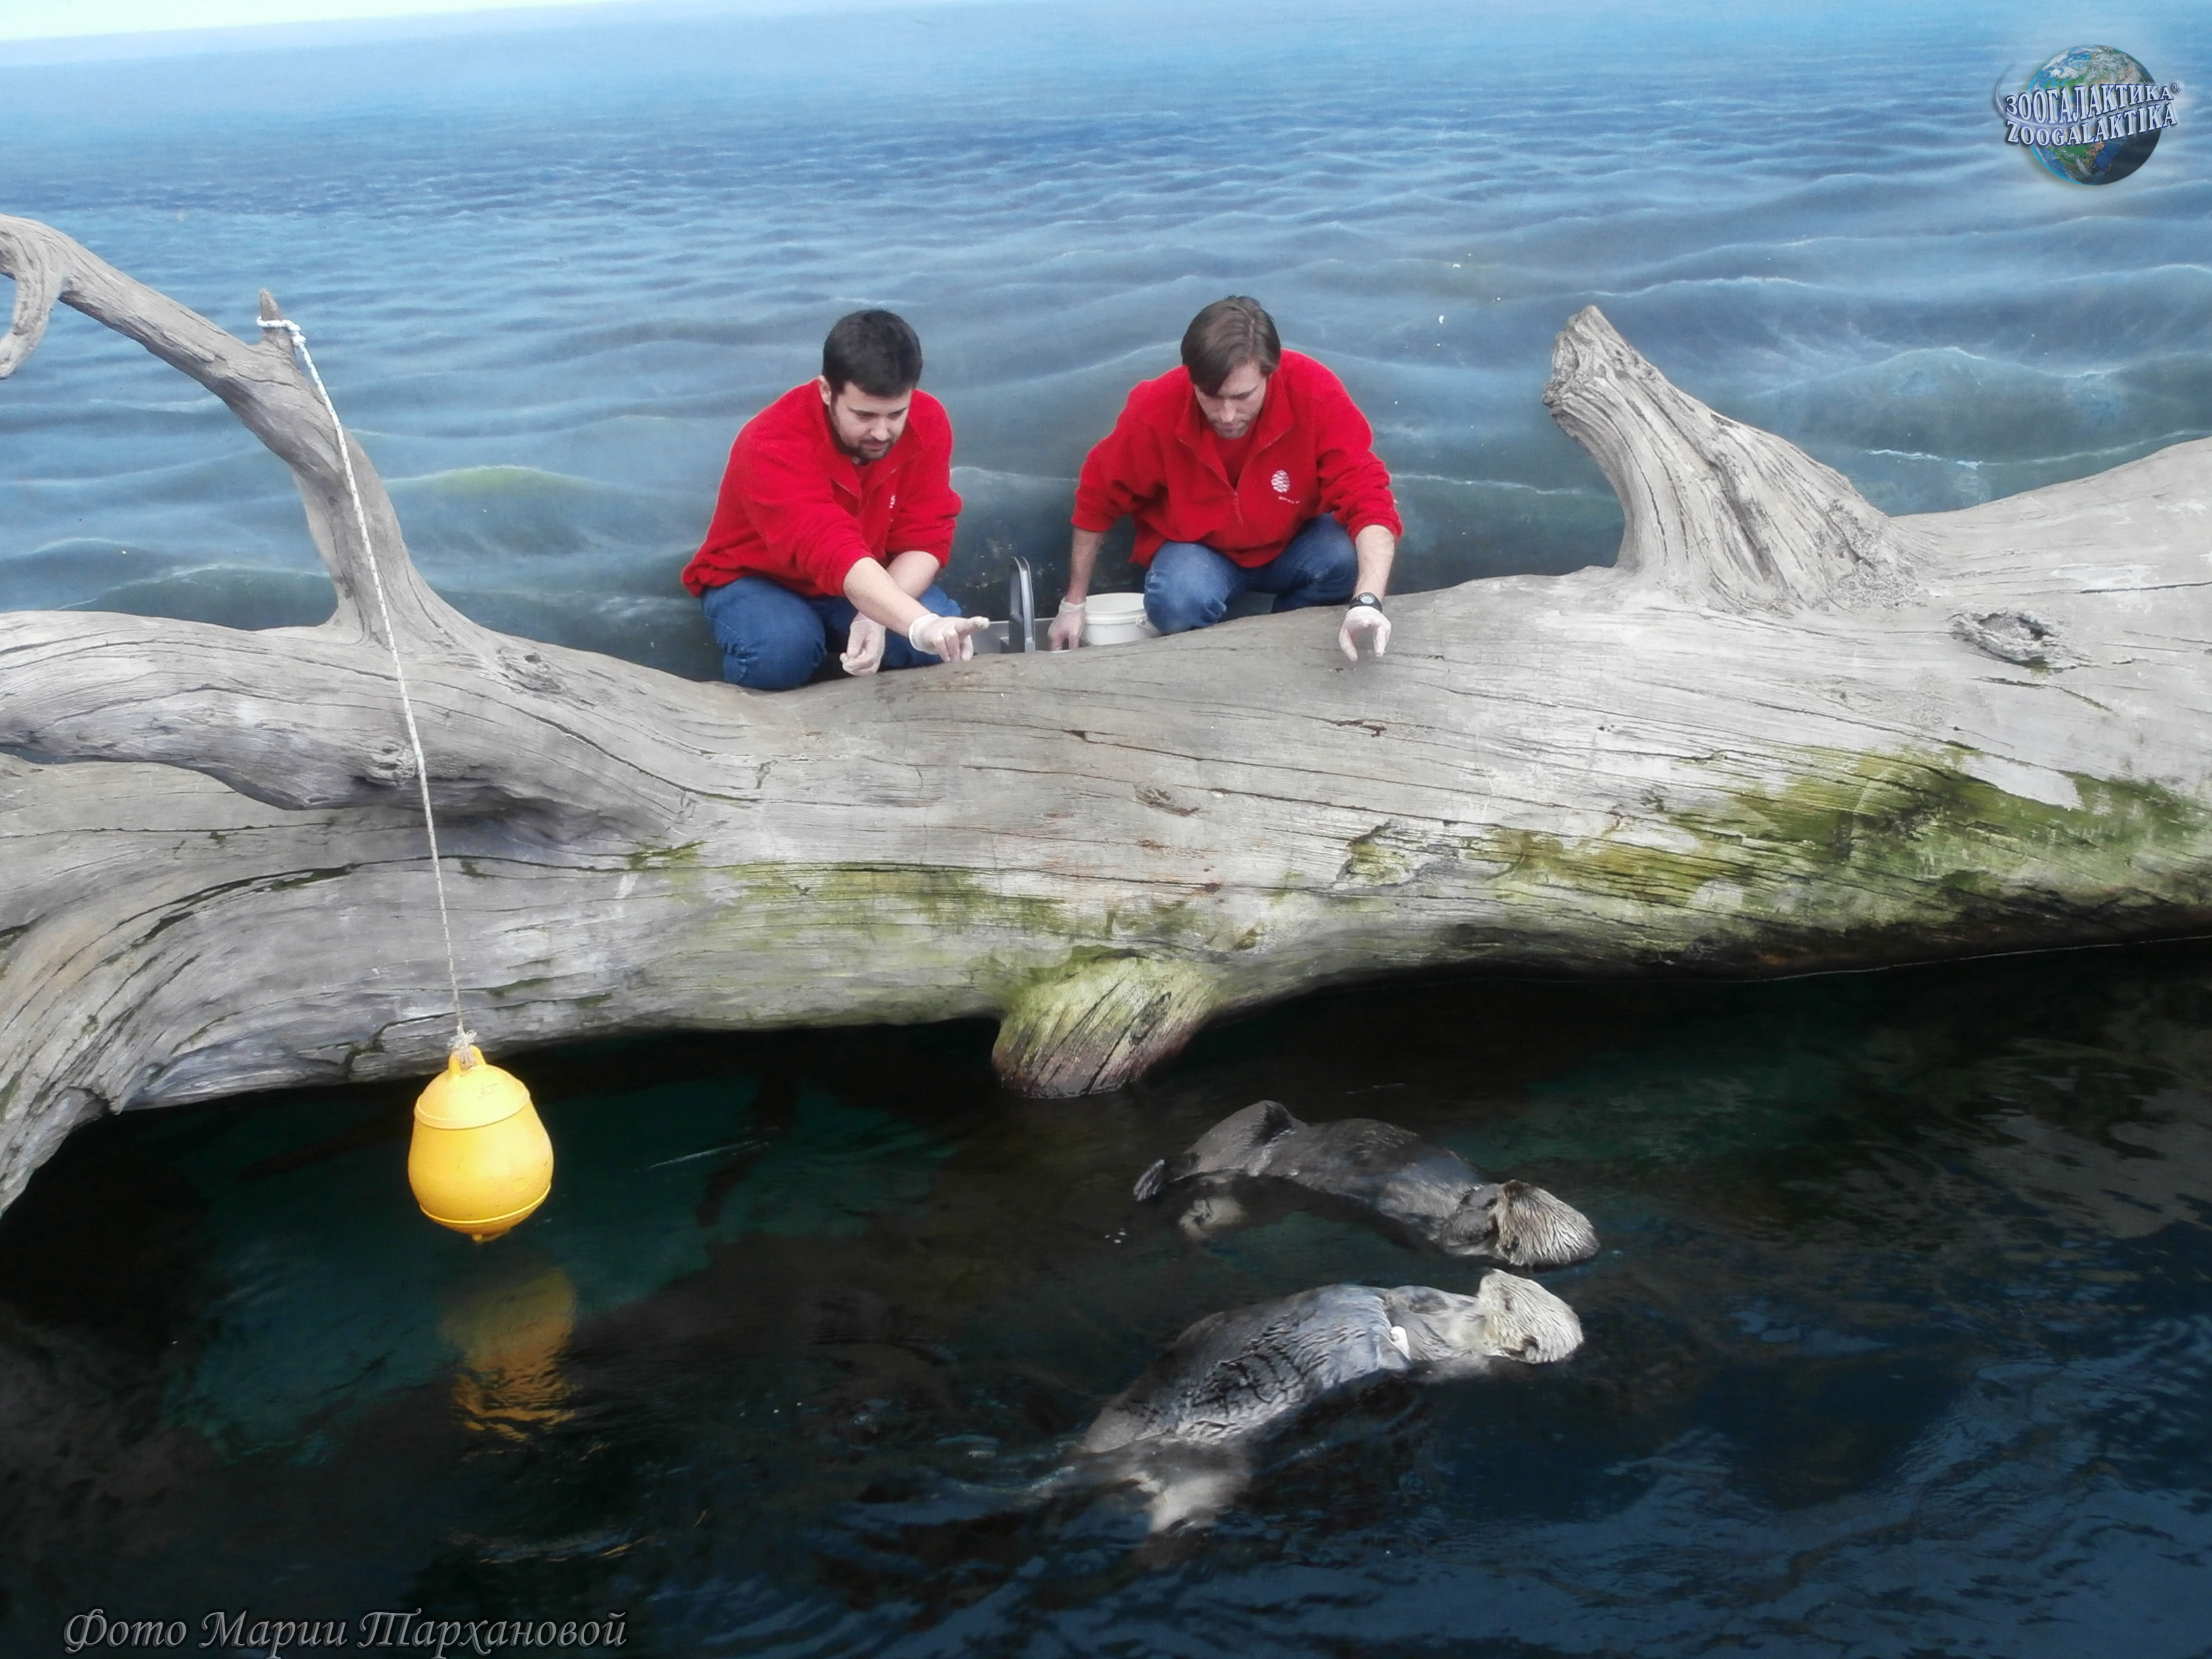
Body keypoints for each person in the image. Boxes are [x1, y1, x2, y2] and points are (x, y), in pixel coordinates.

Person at [1050, 296, 1399, 661]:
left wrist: (1367, 603)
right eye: (1211, 396)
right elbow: (1098, 497)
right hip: (1199, 551)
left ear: (1269, 372)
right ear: (1192, 379)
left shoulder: (1314, 390)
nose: (1228, 415)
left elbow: (1368, 495)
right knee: (1176, 601)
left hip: (1295, 542)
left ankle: (1286, 643)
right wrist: (1073, 605)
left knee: (1347, 560)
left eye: (1243, 396)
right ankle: (1214, 660)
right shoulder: (1156, 406)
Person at [682, 310, 990, 690]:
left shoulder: (928, 421)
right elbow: (828, 546)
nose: (882, 432)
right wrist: (918, 624)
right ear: (827, 391)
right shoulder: (770, 443)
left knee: (938, 646)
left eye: (896, 413)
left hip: (863, 573)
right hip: (758, 577)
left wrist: (877, 616)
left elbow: (925, 538)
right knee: (780, 653)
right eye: (864, 415)